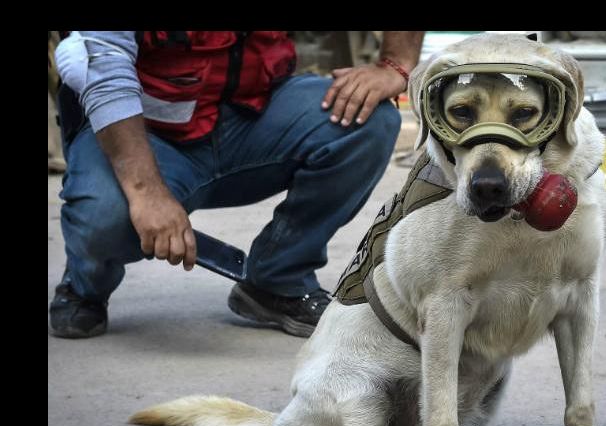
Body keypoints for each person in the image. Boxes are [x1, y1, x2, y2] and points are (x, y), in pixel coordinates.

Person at [49, 31, 425, 339]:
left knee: (371, 122)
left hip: (249, 115)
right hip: (144, 132)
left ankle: (277, 281)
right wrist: (146, 194)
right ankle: (85, 286)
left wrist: (396, 65)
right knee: (106, 214)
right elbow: (105, 65)